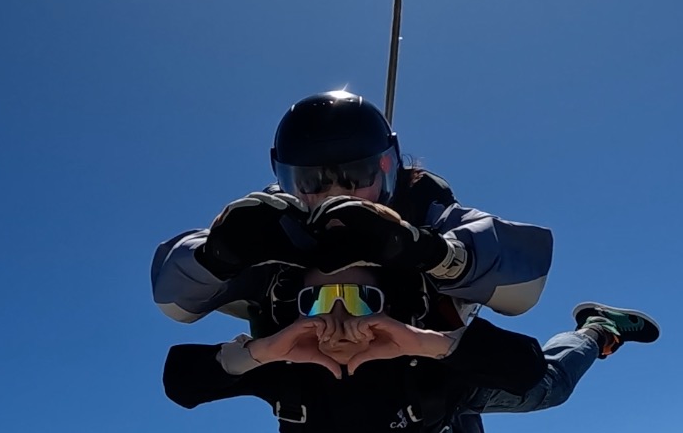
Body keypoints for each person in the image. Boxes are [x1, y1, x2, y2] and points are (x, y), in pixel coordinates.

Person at [162, 262, 659, 433]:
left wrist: (432, 343)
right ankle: (454, 393)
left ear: (387, 306)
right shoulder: (285, 365)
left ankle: (597, 329)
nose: (339, 319)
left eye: (361, 299)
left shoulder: (417, 348)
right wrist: (260, 351)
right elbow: (180, 382)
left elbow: (529, 373)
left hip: (439, 419)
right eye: (318, 301)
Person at [151, 91, 553, 336]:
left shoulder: (421, 209)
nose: (336, 193)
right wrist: (215, 256)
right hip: (325, 407)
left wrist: (429, 251)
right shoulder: (274, 227)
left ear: (389, 166)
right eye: (311, 181)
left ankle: (585, 336)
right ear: (285, 180)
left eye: (356, 175)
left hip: (435, 390)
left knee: (545, 384)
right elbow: (176, 303)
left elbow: (523, 283)